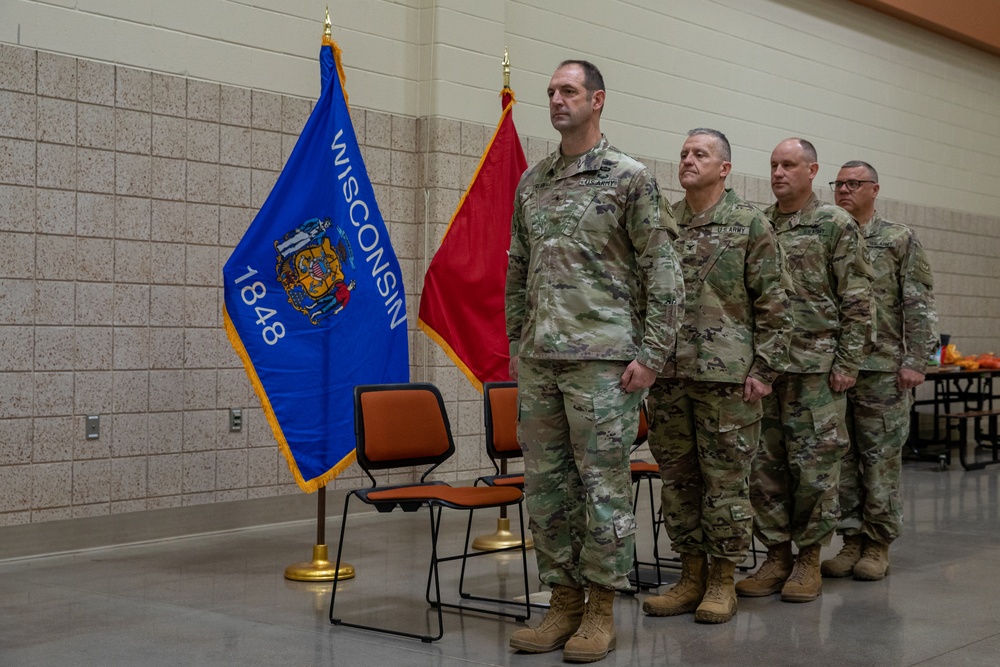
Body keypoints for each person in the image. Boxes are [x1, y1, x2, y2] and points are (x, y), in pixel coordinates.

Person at [504, 59, 683, 662]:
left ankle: (601, 610)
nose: (556, 99)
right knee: (547, 488)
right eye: (551, 91)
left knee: (602, 486)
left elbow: (663, 271)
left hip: (605, 362)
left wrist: (653, 356)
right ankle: (562, 603)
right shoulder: (534, 181)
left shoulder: (629, 178)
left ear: (597, 100)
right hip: (541, 360)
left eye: (568, 91)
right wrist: (517, 343)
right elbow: (518, 269)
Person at [642, 128, 793, 624]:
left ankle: (722, 580)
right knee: (679, 482)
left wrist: (765, 369)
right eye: (683, 152)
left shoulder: (749, 222)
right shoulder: (663, 220)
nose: (687, 160)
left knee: (726, 483)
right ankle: (690, 576)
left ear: (724, 168)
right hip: (667, 374)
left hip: (728, 377)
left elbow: (775, 300)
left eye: (699, 154)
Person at [737, 138, 873, 603]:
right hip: (765, 370)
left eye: (789, 165)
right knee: (765, 468)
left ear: (812, 170)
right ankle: (776, 555)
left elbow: (857, 298)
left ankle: (809, 559)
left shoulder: (834, 223)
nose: (778, 173)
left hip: (816, 371)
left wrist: (848, 363)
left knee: (815, 468)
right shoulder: (760, 223)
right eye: (774, 165)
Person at [821, 161, 937, 581]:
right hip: (835, 368)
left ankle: (878, 543)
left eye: (855, 184)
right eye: (839, 184)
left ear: (875, 190)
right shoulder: (828, 232)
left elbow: (918, 303)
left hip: (882, 369)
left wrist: (915, 361)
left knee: (880, 460)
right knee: (843, 460)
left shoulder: (897, 238)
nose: (845, 190)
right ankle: (851, 539)